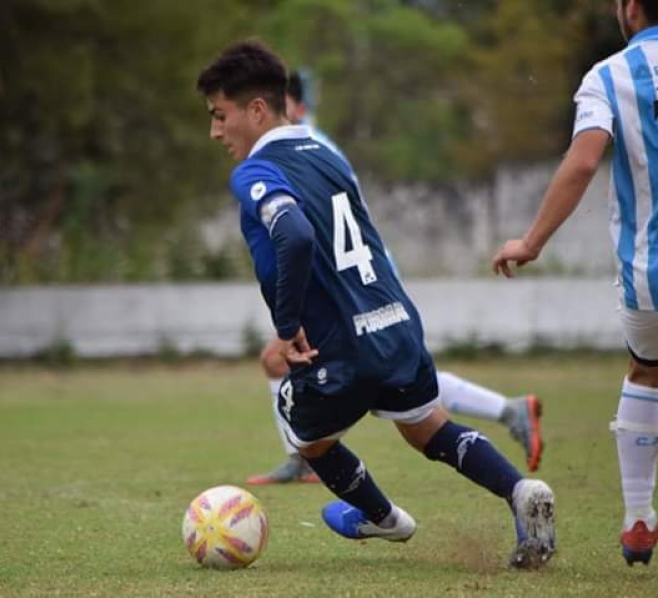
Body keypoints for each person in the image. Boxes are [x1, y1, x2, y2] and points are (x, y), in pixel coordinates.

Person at [197, 39, 555, 569]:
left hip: (339, 344)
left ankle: (384, 518)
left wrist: (288, 321)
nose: (215, 131)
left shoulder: (254, 171)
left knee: (305, 439)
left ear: (256, 110)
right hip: (394, 321)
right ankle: (520, 493)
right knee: (428, 428)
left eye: (220, 115)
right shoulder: (327, 154)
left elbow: (293, 234)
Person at [247, 71, 543, 486]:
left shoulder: (300, 149)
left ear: (289, 106)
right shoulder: (312, 147)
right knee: (397, 379)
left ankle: (309, 460)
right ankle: (507, 411)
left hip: (354, 279)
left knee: (351, 369)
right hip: (364, 273)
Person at [492, 0, 658, 566]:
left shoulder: (607, 75)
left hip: (650, 264)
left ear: (629, 8)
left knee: (647, 370)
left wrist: (530, 242)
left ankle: (636, 516)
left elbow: (582, 164)